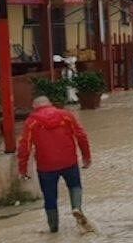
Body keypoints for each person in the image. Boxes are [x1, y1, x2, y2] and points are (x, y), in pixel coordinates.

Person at [17, 96, 93, 233]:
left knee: (50, 197)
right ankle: (76, 208)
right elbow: (81, 135)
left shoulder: (31, 121)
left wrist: (22, 169)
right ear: (51, 104)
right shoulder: (66, 116)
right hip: (69, 161)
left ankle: (53, 229)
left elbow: (24, 147)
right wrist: (86, 157)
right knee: (75, 186)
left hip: (46, 166)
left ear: (34, 107)